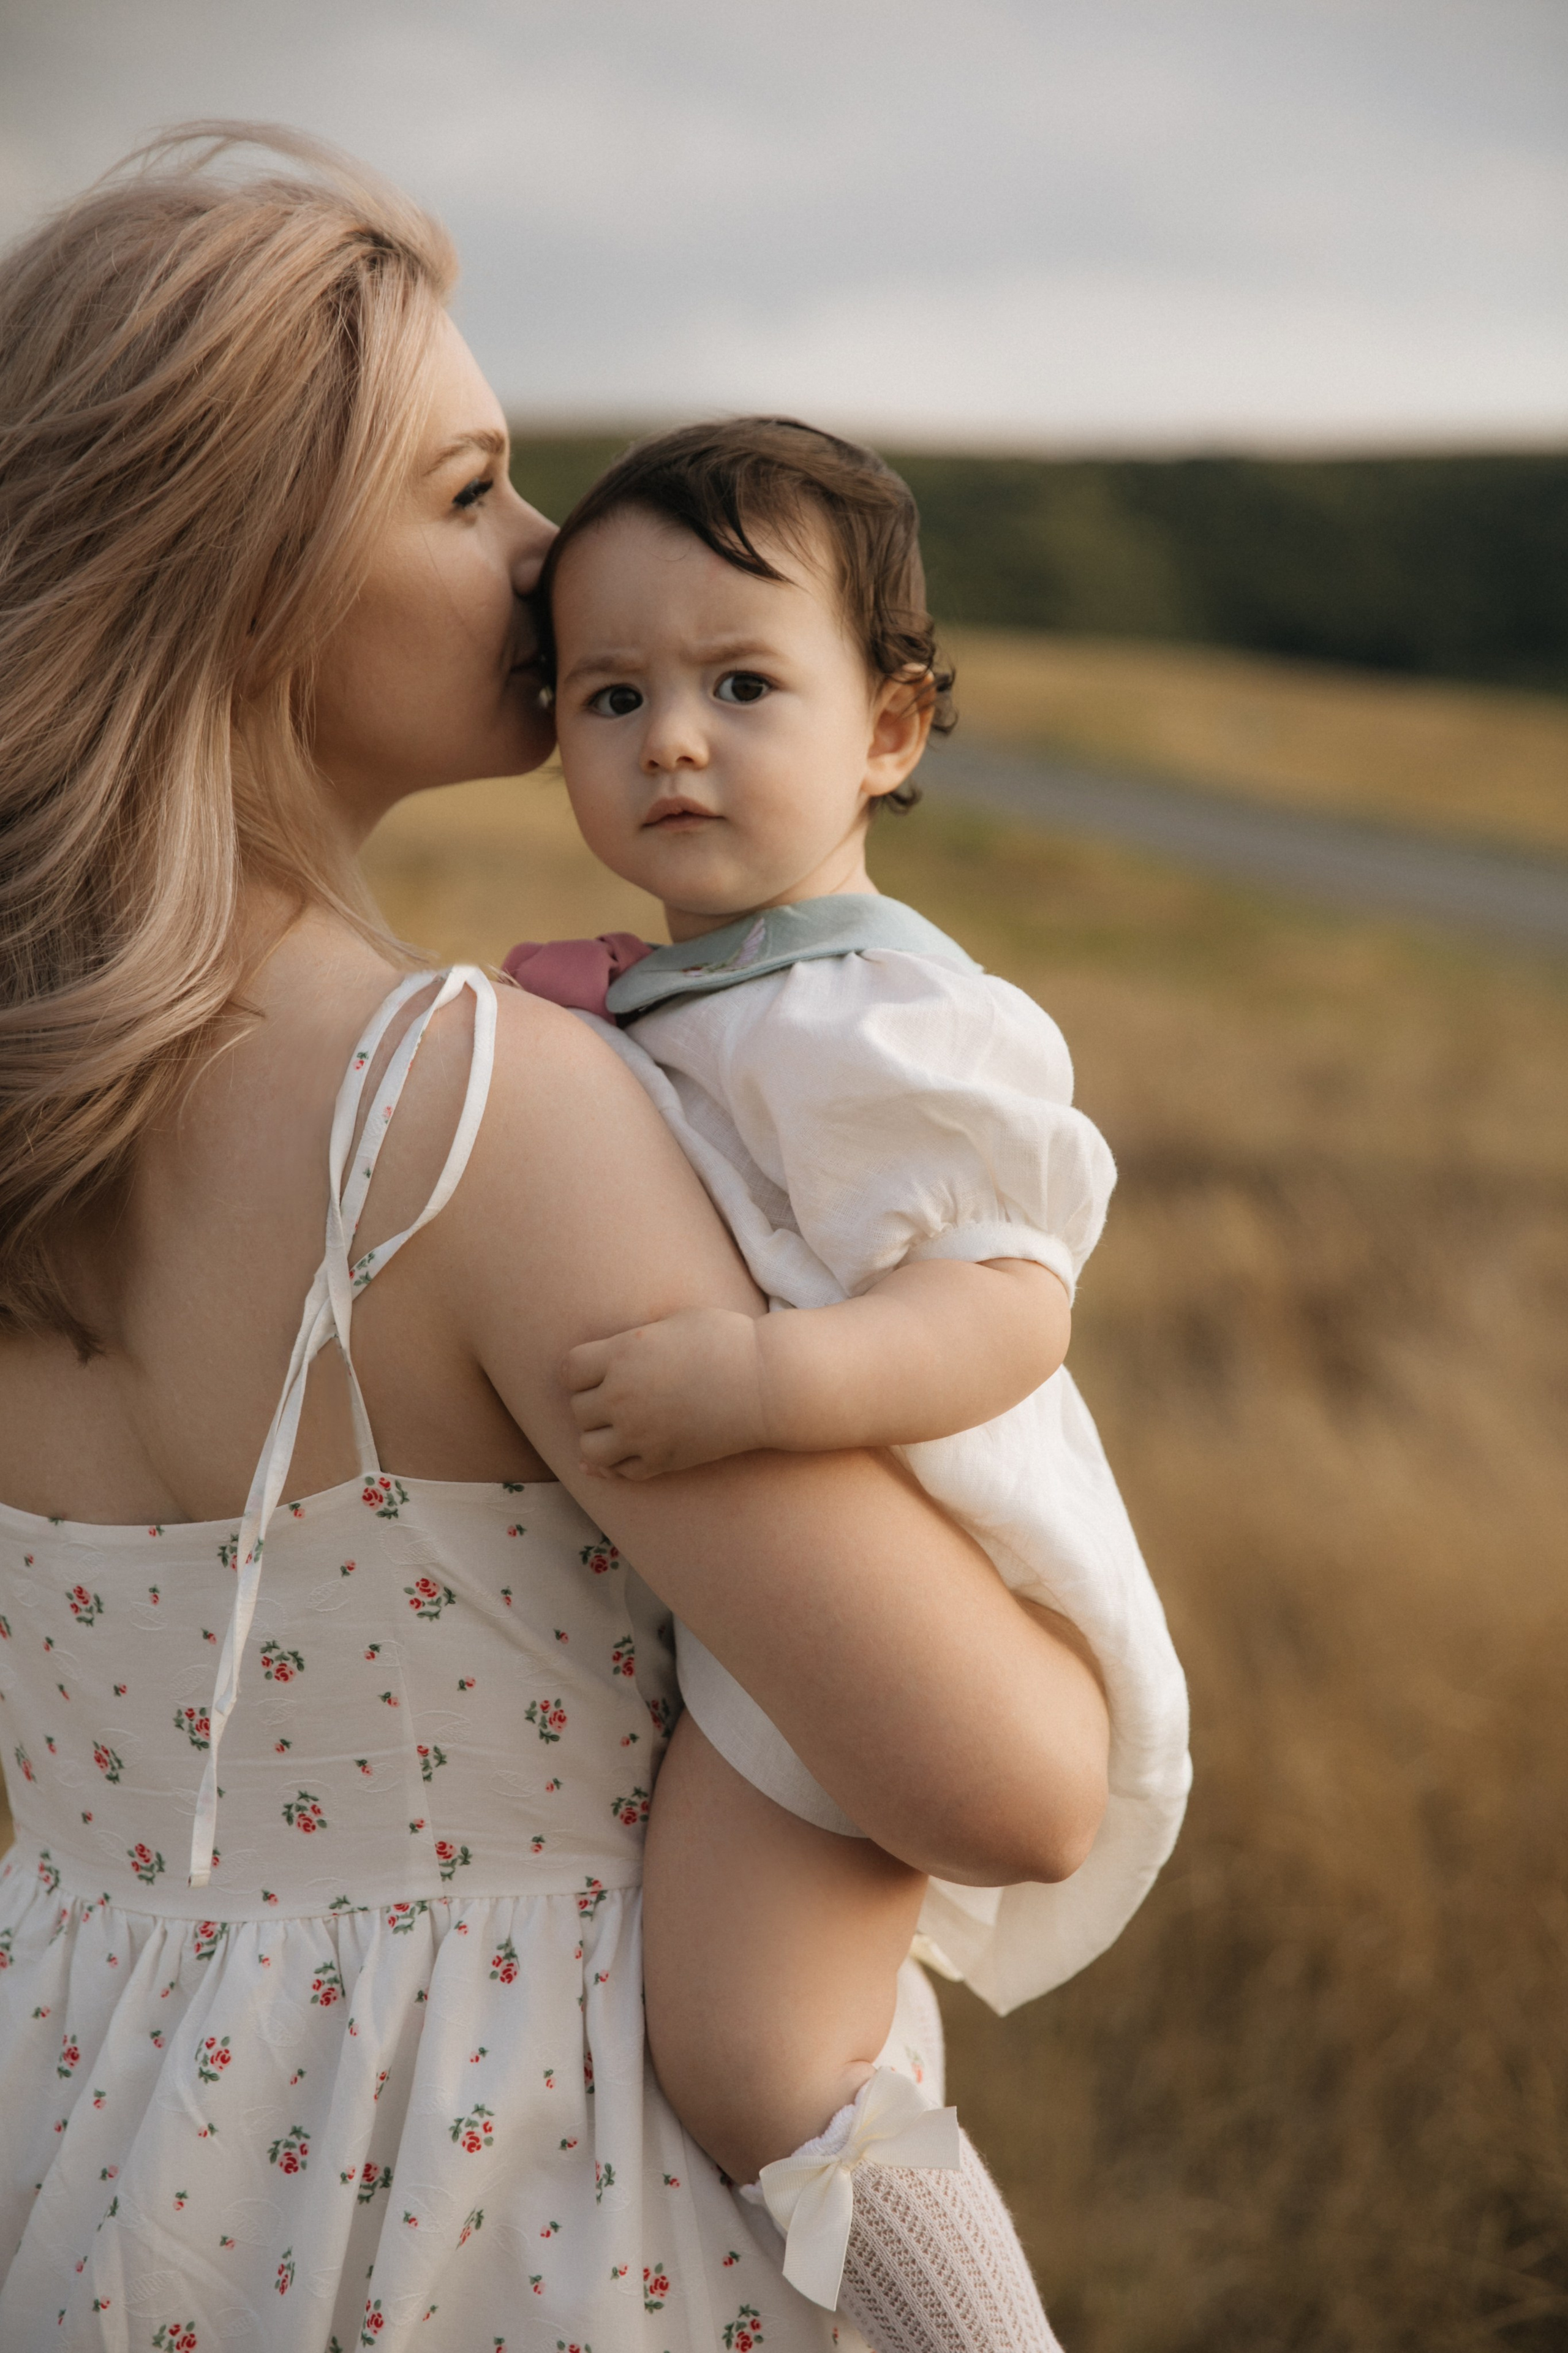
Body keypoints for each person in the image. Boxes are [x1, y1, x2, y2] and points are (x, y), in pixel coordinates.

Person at [0, 129, 1110, 2353]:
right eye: (467, 489)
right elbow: (1012, 1778)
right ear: (244, 577)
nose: (541, 561)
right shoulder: (457, 1104)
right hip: (503, 2193)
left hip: (100, 2129)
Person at [503, 418, 1192, 2306]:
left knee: (754, 2055)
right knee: (776, 2037)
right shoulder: (721, 989)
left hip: (903, 1559)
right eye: (610, 693)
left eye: (742, 682)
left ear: (888, 730)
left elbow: (1011, 1295)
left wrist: (763, 1387)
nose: (672, 739)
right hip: (776, 1585)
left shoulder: (882, 1012)